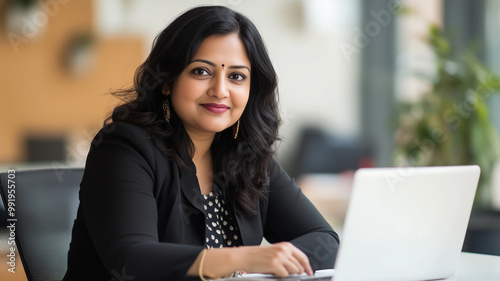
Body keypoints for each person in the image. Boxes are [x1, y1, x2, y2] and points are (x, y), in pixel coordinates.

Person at [63, 5, 339, 281]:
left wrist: (256, 264)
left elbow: (326, 242)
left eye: (236, 76)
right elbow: (131, 259)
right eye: (201, 72)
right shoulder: (123, 147)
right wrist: (243, 258)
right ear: (167, 81)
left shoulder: (249, 155)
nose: (220, 90)